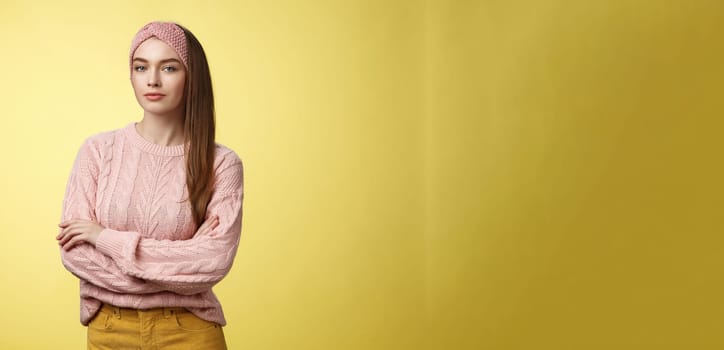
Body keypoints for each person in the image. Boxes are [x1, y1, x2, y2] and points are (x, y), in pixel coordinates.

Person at [55, 20, 243, 350]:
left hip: (189, 330)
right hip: (110, 330)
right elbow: (75, 253)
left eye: (169, 67)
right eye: (141, 67)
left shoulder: (222, 164)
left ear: (191, 76)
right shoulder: (99, 151)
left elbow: (212, 260)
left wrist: (105, 238)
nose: (152, 79)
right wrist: (173, 273)